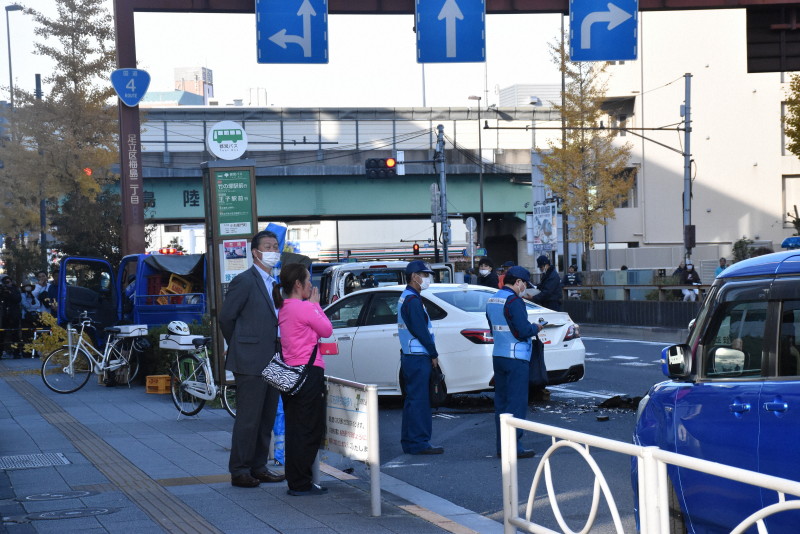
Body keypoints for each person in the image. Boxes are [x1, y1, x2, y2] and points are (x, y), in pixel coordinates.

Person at [219, 230, 286, 488]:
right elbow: (227, 317)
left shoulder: (275, 283)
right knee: (248, 418)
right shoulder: (245, 280)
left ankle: (259, 466)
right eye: (268, 246)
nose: (273, 251)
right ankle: (239, 470)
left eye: (275, 246)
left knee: (266, 417)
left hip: (274, 359)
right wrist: (238, 344)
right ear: (255, 252)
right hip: (249, 359)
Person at [275, 263, 333, 496]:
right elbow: (327, 330)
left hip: (291, 375)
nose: (311, 285)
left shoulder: (284, 308)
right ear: (298, 284)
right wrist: (317, 306)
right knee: (310, 429)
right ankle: (300, 483)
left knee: (296, 428)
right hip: (308, 374)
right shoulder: (304, 308)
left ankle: (297, 480)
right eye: (308, 280)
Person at [485, 266, 542, 459]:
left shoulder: (493, 299)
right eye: (524, 284)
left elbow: (493, 328)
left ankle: (502, 446)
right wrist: (536, 327)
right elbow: (522, 330)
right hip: (516, 358)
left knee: (501, 404)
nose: (525, 288)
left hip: (499, 355)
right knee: (516, 404)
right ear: (518, 282)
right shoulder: (514, 301)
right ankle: (514, 447)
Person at [398, 260, 443, 455]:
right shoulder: (413, 301)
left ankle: (410, 441)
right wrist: (433, 353)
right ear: (414, 277)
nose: (427, 279)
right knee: (420, 401)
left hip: (410, 356)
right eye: (424, 275)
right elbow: (422, 331)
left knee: (412, 400)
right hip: (418, 357)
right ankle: (419, 443)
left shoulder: (406, 297)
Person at [0, 275, 22, 358]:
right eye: (5, 282)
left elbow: (18, 299)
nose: (6, 284)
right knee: (2, 334)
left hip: (14, 315)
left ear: (11, 282)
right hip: (4, 315)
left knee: (15, 334)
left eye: (8, 282)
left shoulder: (15, 289)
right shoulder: (1, 290)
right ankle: (1, 352)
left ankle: (16, 352)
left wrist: (10, 292)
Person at [20, 282, 43, 357]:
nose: (28, 288)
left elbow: (38, 304)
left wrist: (32, 306)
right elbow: (25, 305)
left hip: (33, 318)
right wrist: (32, 307)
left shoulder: (33, 295)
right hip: (25, 318)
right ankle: (26, 353)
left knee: (35, 335)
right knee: (26, 335)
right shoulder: (22, 295)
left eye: (29, 286)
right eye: (26, 286)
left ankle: (35, 351)